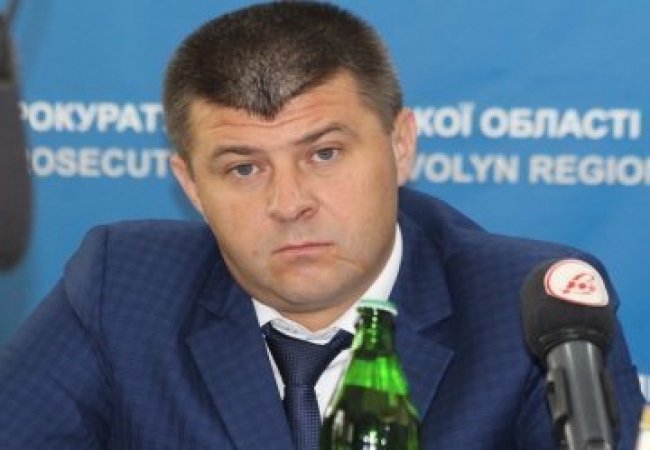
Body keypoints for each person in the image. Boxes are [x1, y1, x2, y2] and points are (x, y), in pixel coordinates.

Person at [0, 2, 644, 449]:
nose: (289, 202)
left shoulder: (529, 308)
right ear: (191, 185)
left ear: (400, 146)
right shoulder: (126, 289)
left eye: (325, 154)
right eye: (243, 168)